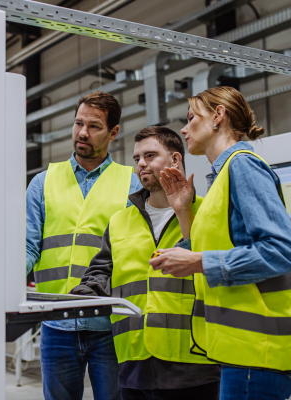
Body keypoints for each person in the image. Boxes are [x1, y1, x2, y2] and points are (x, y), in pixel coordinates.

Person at [150, 86, 291, 400]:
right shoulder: (221, 178)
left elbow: (285, 251)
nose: (184, 128)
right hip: (241, 350)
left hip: (259, 351)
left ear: (218, 116)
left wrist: (198, 262)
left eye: (192, 117)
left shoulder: (242, 166)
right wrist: (183, 209)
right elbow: (212, 249)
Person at [71, 127, 221, 400]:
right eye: (137, 157)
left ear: (175, 160)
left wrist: (184, 212)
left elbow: (216, 267)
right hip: (133, 360)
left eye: (150, 155)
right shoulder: (119, 220)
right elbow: (102, 271)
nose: (141, 164)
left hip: (195, 360)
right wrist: (84, 293)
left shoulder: (205, 212)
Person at [25, 91, 142, 400]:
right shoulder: (43, 182)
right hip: (56, 322)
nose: (82, 133)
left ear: (113, 132)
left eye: (94, 126)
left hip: (110, 323)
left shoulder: (132, 184)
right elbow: (27, 247)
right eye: (78, 123)